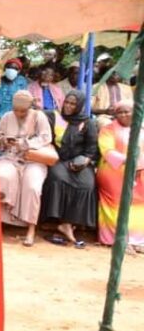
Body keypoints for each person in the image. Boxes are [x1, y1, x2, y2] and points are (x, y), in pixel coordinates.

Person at [40, 90, 99, 248]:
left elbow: (91, 149)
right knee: (56, 178)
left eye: (73, 104)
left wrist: (84, 161)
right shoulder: (54, 117)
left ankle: (70, 224)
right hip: (59, 160)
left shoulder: (88, 123)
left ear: (79, 105)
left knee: (87, 184)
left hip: (79, 162)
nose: (68, 106)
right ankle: (55, 221)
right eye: (67, 102)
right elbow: (38, 118)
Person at [0, 90, 54, 246]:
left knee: (33, 187)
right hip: (11, 157)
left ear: (30, 107)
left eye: (23, 111)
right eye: (16, 110)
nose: (19, 113)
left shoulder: (39, 116)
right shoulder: (7, 116)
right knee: (2, 176)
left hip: (33, 159)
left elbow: (46, 137)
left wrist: (26, 143)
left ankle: (31, 229)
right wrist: (5, 141)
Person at [96, 101, 143, 251]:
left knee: (139, 201)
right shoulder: (108, 129)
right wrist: (129, 160)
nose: (123, 115)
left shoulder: (141, 128)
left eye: (127, 112)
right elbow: (107, 150)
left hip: (139, 170)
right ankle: (118, 240)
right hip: (113, 171)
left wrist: (138, 164)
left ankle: (137, 240)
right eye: (120, 112)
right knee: (117, 201)